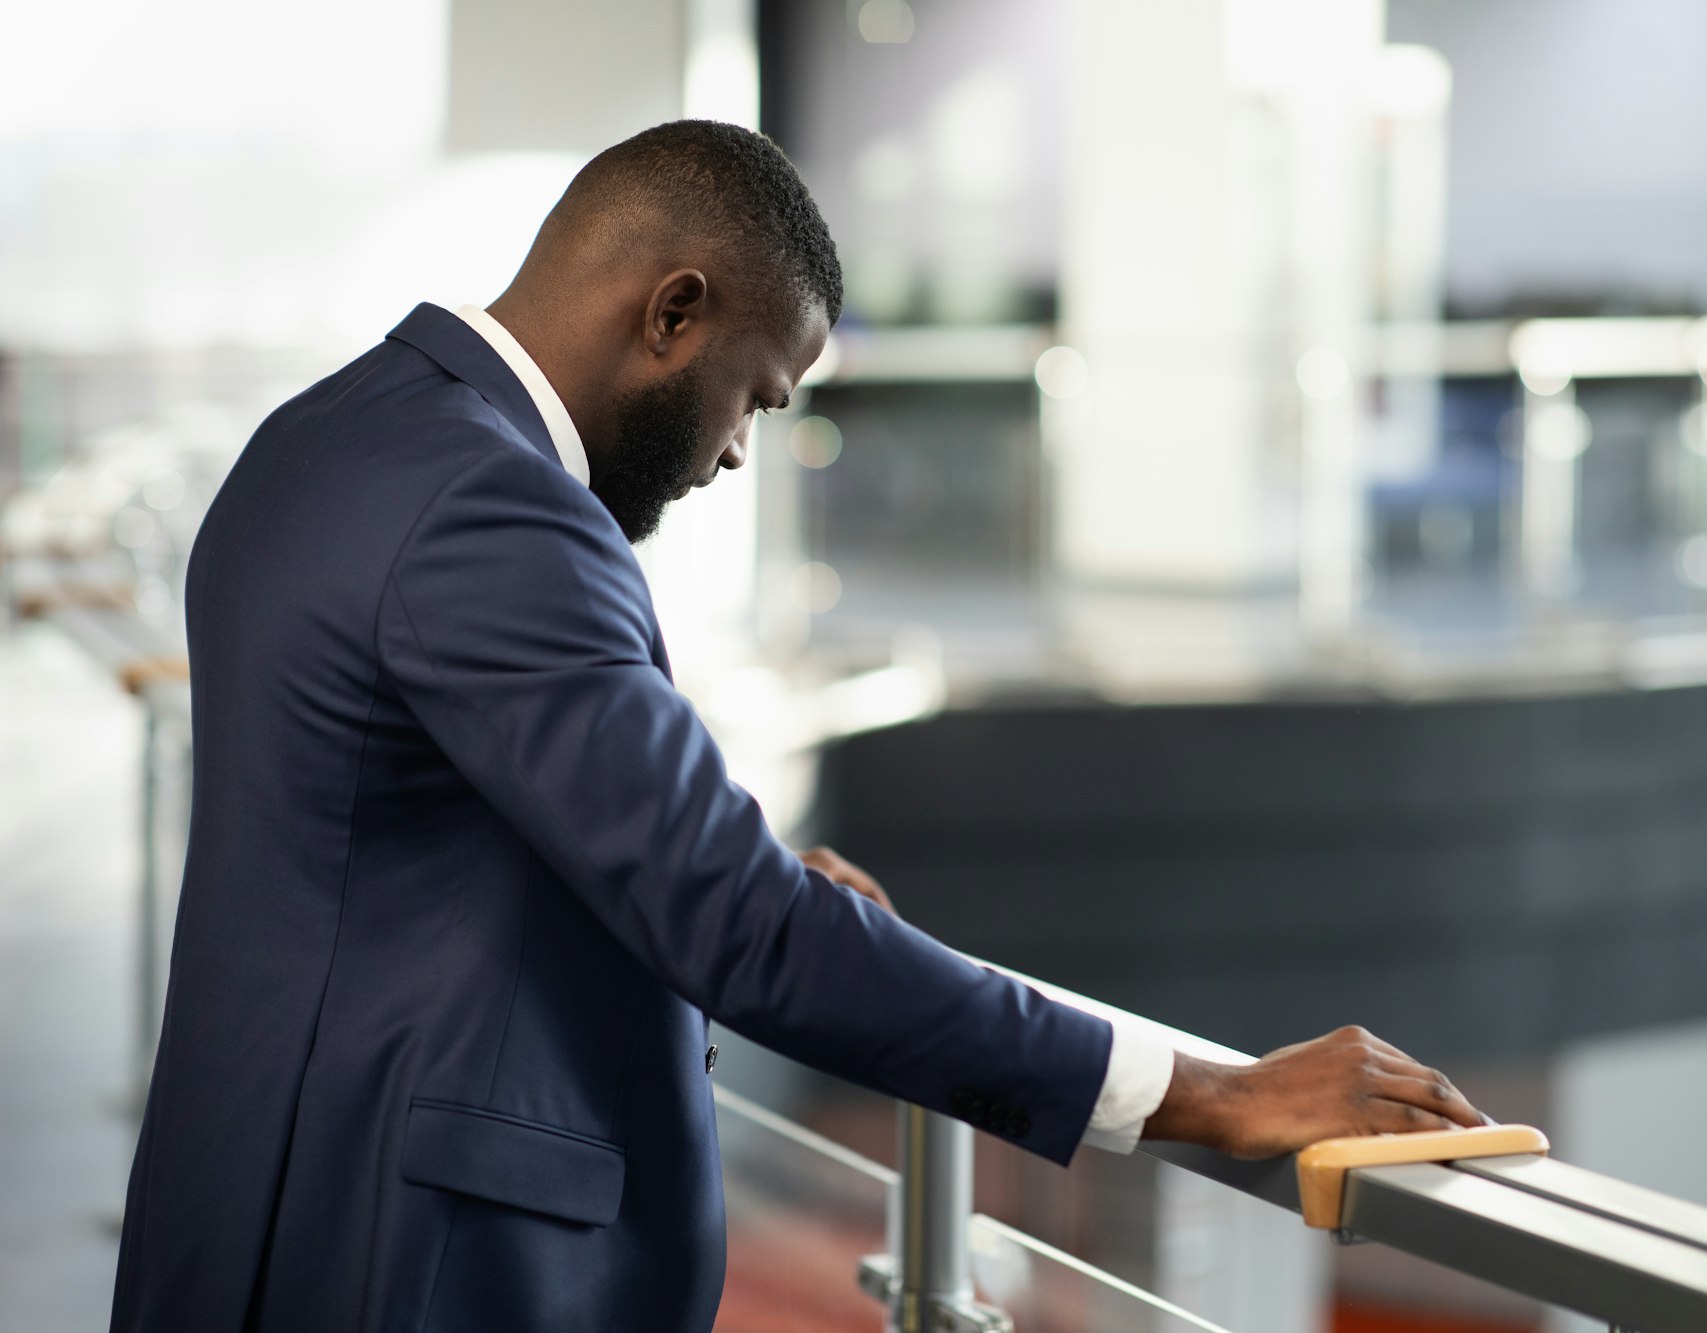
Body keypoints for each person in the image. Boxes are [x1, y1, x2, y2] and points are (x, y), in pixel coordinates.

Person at [109, 120, 1482, 1333]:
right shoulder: (500, 510)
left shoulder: (327, 437)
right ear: (675, 312)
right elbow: (743, 928)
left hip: (256, 1213)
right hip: (412, 1266)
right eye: (757, 394)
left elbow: (392, 837)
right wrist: (1200, 1090)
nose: (735, 450)